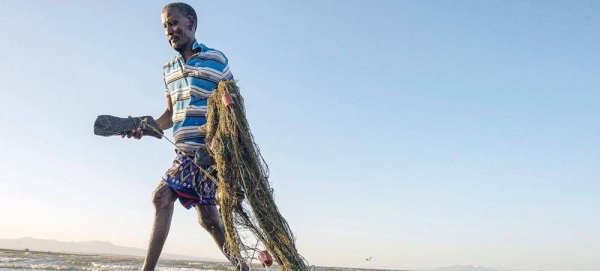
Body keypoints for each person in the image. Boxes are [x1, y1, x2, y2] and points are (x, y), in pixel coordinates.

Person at [123, 2, 249, 271]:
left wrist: (224, 149)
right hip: (184, 152)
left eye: (174, 23)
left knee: (161, 197)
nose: (170, 30)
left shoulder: (216, 60)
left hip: (209, 153)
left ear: (192, 22)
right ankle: (242, 267)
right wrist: (145, 129)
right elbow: (169, 115)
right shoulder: (168, 69)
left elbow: (233, 109)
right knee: (209, 220)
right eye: (165, 26)